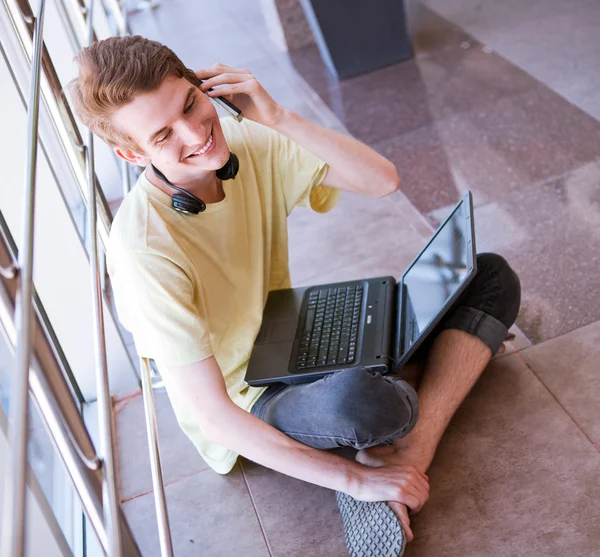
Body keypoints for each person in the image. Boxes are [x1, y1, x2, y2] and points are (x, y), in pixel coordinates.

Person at [69, 35, 521, 544]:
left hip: (295, 329)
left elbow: (382, 181)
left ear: (205, 85)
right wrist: (354, 479)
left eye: (191, 103)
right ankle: (408, 402)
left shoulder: (245, 143)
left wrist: (278, 116)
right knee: (367, 405)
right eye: (163, 134)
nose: (195, 132)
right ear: (131, 153)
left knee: (490, 275)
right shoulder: (143, 251)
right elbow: (215, 416)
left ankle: (412, 449)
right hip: (250, 397)